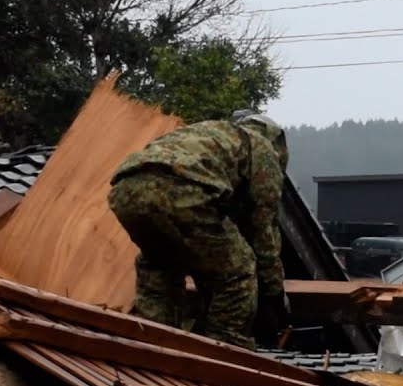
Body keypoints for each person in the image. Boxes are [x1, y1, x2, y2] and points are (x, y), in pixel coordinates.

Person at [106, 111, 291, 349]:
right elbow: (263, 233)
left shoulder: (210, 134)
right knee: (239, 270)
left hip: (126, 190)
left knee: (159, 267)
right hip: (182, 189)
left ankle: (151, 346)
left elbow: (205, 251)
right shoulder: (262, 148)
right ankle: (225, 353)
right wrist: (274, 295)